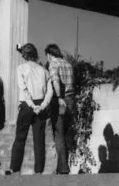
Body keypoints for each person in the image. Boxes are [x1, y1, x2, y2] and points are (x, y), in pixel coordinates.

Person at [8, 43, 53, 176]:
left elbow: (23, 88)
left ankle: (15, 170)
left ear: (25, 55)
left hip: (27, 105)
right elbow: (50, 92)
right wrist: (42, 106)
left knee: (20, 137)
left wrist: (32, 106)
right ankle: (38, 171)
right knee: (39, 140)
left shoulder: (21, 68)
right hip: (41, 105)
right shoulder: (44, 71)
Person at [45, 44, 75, 175]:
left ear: (49, 54)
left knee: (59, 135)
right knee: (67, 134)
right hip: (71, 99)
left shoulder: (53, 64)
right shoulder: (68, 64)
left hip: (61, 100)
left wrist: (58, 97)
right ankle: (63, 166)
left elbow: (55, 81)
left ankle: (62, 168)